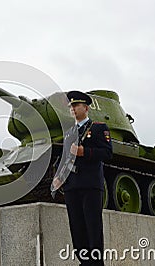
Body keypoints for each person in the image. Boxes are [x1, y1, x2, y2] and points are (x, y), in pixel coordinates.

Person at [58, 91, 112, 265]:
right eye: (71, 106)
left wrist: (84, 152)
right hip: (72, 186)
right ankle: (84, 262)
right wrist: (58, 177)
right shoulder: (68, 133)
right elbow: (64, 158)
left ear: (86, 108)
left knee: (93, 228)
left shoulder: (97, 128)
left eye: (76, 105)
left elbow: (107, 152)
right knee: (77, 229)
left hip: (90, 185)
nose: (73, 109)